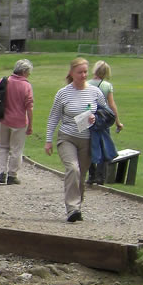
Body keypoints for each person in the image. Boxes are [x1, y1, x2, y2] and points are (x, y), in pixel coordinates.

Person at [44, 57, 108, 223]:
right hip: (67, 137)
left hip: (88, 140)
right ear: (71, 73)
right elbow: (53, 117)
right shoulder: (63, 93)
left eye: (86, 72)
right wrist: (48, 140)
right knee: (73, 169)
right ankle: (72, 208)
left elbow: (106, 112)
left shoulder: (95, 92)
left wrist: (96, 117)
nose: (83, 75)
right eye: (80, 72)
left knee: (81, 175)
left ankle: (77, 207)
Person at [0, 59, 35, 185]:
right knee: (17, 150)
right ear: (24, 71)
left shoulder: (5, 81)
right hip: (19, 122)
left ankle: (2, 173)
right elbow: (29, 107)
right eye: (28, 72)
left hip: (3, 119)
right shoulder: (26, 86)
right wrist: (30, 124)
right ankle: (12, 175)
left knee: (2, 147)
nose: (29, 74)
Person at [87, 61, 124, 186]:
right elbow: (112, 106)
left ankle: (91, 175)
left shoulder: (86, 84)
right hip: (102, 120)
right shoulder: (107, 86)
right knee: (104, 146)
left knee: (88, 146)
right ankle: (100, 176)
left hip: (88, 118)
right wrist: (118, 122)